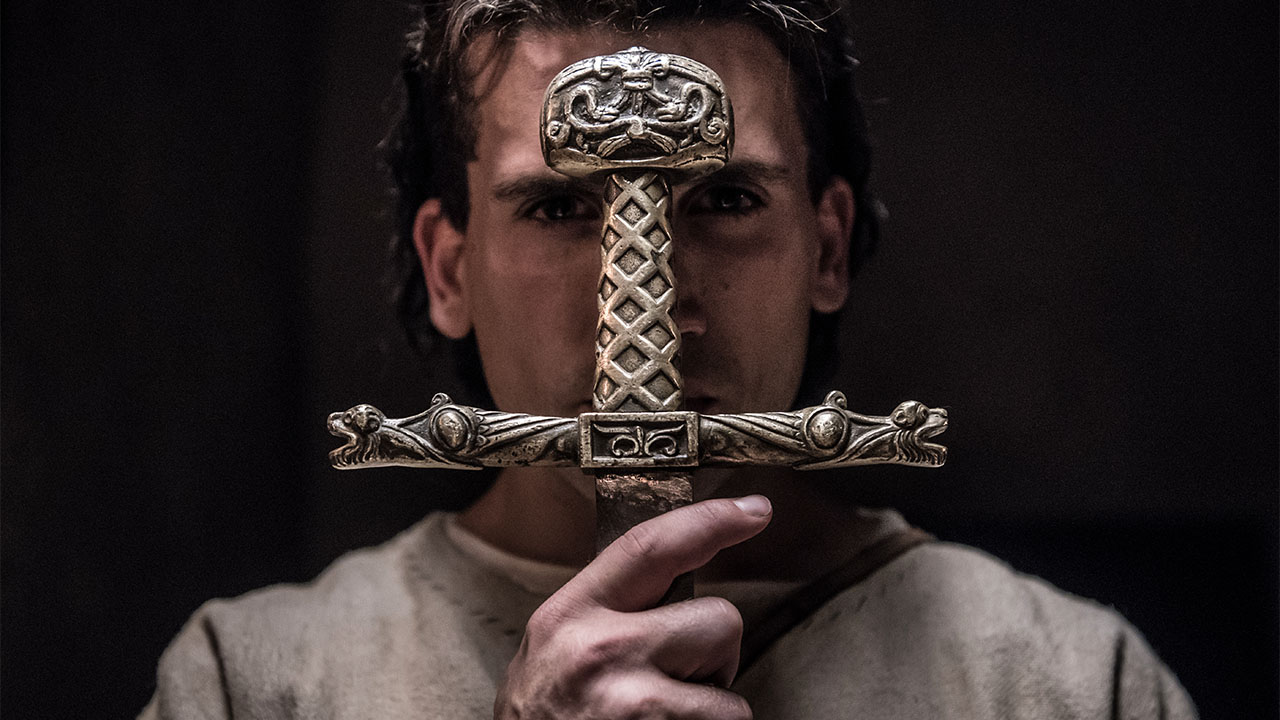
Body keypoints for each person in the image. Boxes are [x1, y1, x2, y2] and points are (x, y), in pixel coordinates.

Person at [142, 1, 1197, 718]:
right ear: (447, 268)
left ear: (826, 249)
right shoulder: (249, 688)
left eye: (726, 200)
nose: (644, 307)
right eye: (558, 208)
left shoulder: (1069, 685)